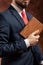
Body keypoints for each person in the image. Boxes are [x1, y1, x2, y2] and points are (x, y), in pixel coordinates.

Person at [0, 0, 43, 65]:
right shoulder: (3, 17)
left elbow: (33, 44)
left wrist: (41, 60)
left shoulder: (29, 16)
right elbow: (1, 49)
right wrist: (27, 42)